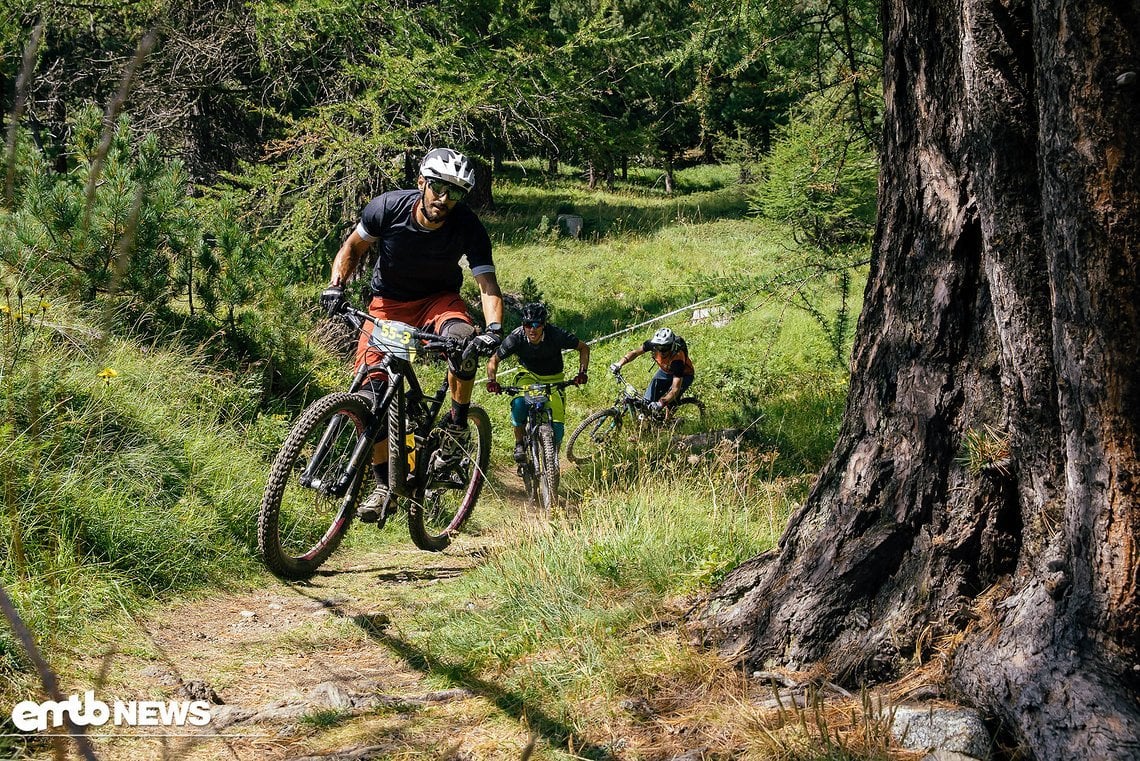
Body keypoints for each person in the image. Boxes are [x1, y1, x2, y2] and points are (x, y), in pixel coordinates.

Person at [320, 147, 504, 521]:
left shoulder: (467, 225)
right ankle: (386, 485)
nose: (444, 198)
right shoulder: (386, 208)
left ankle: (455, 431)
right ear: (422, 182)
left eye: (455, 192)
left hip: (439, 302)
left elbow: (486, 284)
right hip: (387, 303)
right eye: (438, 187)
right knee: (369, 399)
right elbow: (352, 248)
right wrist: (336, 284)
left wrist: (495, 330)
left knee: (464, 341)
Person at [485, 302, 589, 463]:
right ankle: (519, 444)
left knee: (558, 427)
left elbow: (583, 347)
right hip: (528, 376)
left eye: (537, 324)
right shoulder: (516, 338)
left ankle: (552, 460)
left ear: (544, 325)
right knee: (519, 405)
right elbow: (494, 359)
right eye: (528, 324)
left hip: (554, 379)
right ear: (523, 325)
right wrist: (492, 380)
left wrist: (582, 372)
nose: (532, 329)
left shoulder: (556, 334)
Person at [608, 327, 694, 415]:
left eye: (665, 347)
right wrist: (619, 364)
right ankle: (649, 421)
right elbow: (635, 353)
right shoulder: (652, 344)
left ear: (671, 345)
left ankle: (668, 423)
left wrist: (661, 403)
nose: (661, 351)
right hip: (665, 371)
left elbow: (675, 389)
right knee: (646, 402)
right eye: (659, 347)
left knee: (670, 402)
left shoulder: (677, 360)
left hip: (685, 375)